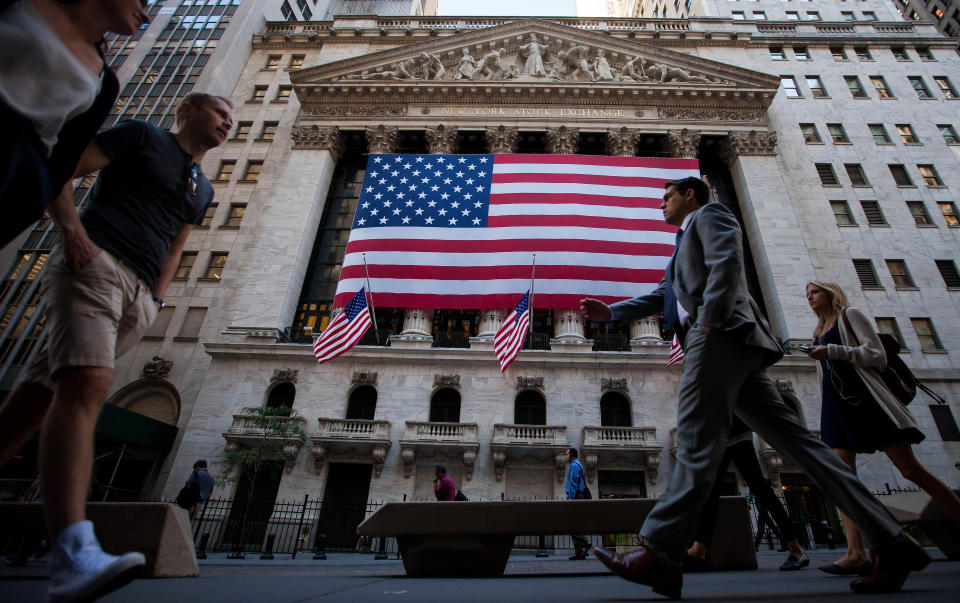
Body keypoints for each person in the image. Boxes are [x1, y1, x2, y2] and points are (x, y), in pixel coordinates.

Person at [579, 177, 929, 598]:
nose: (661, 205)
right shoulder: (681, 246)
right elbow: (664, 296)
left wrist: (711, 321)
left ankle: (661, 552)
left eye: (667, 197)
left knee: (694, 439)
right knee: (806, 449)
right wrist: (611, 313)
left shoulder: (711, 214)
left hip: (720, 336)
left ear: (690, 194)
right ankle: (892, 542)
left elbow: (729, 263)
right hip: (726, 343)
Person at [0, 91, 232, 603]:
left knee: (38, 397)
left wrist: (155, 298)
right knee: (88, 387)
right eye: (221, 113)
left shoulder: (203, 185)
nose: (228, 124)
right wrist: (72, 232)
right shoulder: (142, 137)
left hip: (138, 293)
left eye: (233, 119)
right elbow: (59, 167)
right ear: (189, 110)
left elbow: (177, 242)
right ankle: (72, 551)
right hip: (96, 264)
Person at [804, 281, 960, 575]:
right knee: (843, 479)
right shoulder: (817, 332)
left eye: (815, 292)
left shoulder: (851, 315)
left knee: (910, 471)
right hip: (836, 406)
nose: (810, 297)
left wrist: (834, 351)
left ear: (830, 293)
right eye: (807, 294)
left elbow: (877, 355)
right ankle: (855, 552)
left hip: (867, 403)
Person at [0, 0, 150, 248]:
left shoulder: (105, 84)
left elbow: (63, 161)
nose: (145, 15)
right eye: (142, 2)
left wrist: (31, 196)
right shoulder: (21, 6)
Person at [685, 417, 809, 572]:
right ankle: (698, 550)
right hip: (721, 436)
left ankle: (796, 549)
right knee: (711, 492)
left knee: (761, 491)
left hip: (734, 435)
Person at [564, 447, 591, 560]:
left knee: (571, 524)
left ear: (572, 455)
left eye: (567, 454)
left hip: (575, 496)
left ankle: (584, 543)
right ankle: (579, 552)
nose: (565, 456)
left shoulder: (574, 466)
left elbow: (573, 483)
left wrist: (570, 498)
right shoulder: (579, 465)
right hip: (578, 496)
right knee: (576, 524)